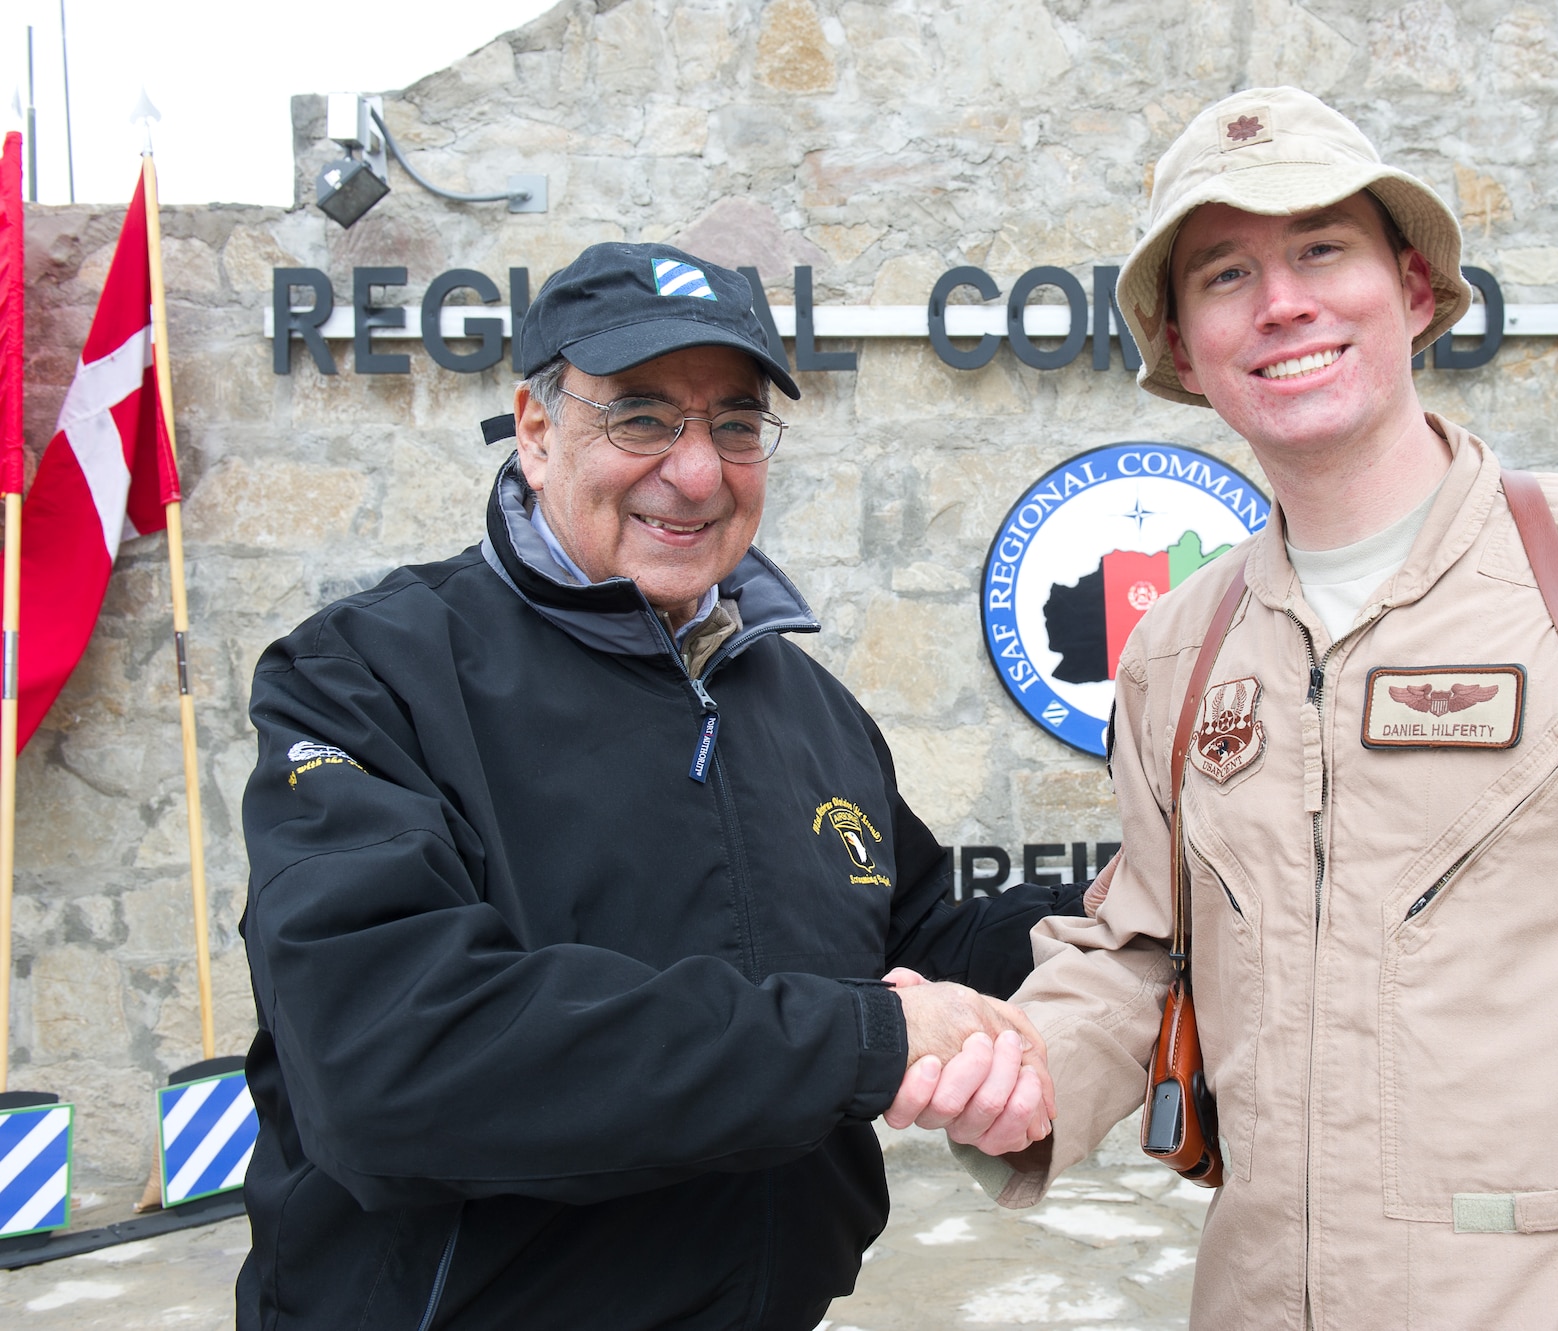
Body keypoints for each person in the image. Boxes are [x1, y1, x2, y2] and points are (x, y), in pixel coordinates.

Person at [956, 88, 1558, 1329]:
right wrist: (1014, 1071)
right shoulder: (1179, 652)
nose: (1281, 300)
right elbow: (1143, 952)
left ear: (1411, 290)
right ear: (1182, 349)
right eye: (1225, 271)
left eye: (1321, 250)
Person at [236, 243, 1069, 1329]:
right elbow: (393, 1058)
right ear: (535, 432)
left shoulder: (805, 703)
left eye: (734, 422)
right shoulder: (366, 674)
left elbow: (913, 935)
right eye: (640, 417)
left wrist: (1107, 918)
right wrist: (865, 1041)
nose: (695, 470)